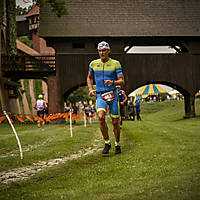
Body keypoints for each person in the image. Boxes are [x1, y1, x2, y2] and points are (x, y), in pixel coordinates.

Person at [87, 41, 125, 154]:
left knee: (115, 122)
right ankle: (107, 142)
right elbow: (89, 77)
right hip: (100, 95)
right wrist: (90, 89)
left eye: (104, 50)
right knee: (101, 117)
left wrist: (113, 82)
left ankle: (117, 144)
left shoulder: (116, 63)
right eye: (100, 50)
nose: (102, 52)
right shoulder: (93, 63)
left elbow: (122, 81)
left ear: (109, 51)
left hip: (113, 95)